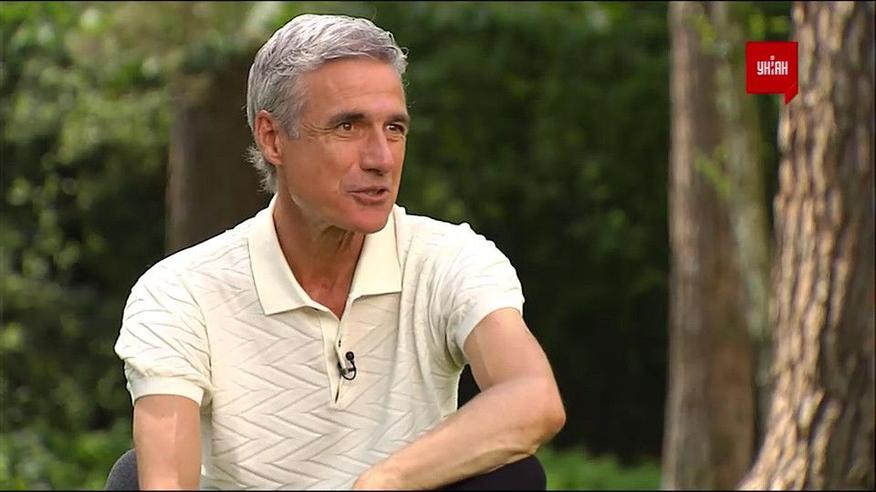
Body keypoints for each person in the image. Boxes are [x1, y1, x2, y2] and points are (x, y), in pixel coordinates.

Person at [113, 13, 565, 490]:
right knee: (131, 476)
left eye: (394, 128)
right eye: (348, 126)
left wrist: (384, 481)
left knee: (513, 476)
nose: (381, 158)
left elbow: (533, 398)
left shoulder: (447, 260)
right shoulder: (180, 292)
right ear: (272, 138)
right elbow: (164, 481)